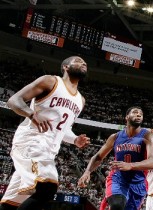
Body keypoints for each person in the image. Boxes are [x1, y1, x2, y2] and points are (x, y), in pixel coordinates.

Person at [0, 56, 90, 210]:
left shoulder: (80, 100)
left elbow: (62, 128)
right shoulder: (51, 81)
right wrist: (31, 114)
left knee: (10, 204)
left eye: (85, 63)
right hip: (31, 141)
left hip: (48, 151)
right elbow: (14, 100)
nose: (83, 63)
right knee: (47, 188)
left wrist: (75, 139)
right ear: (65, 67)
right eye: (78, 61)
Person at [77, 106, 153, 210]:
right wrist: (87, 172)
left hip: (138, 184)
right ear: (127, 117)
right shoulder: (115, 137)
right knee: (117, 205)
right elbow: (98, 157)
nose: (139, 115)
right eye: (135, 112)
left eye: (141, 114)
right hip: (118, 179)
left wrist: (130, 165)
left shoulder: (148, 136)